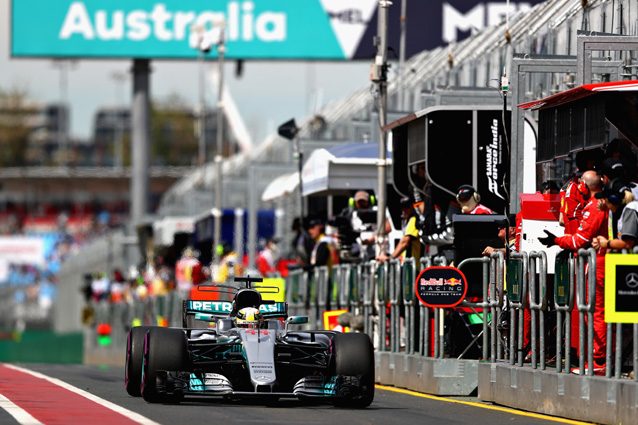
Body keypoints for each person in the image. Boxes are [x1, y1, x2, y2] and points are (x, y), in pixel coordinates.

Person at [538, 170, 608, 374]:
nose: (577, 188)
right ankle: (596, 360)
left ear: (585, 187)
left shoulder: (596, 206)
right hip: (594, 263)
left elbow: (579, 240)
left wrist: (555, 241)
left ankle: (599, 363)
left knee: (595, 313)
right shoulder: (595, 205)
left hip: (597, 265)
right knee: (591, 313)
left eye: (580, 184)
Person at [377, 195, 423, 268]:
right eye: (402, 207)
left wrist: (390, 258)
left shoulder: (414, 220)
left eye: (407, 207)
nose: (404, 210)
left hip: (413, 266)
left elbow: (405, 242)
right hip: (408, 265)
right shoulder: (407, 221)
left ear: (412, 207)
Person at [592, 180, 638, 252]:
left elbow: (627, 243)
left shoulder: (630, 209)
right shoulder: (624, 209)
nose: (604, 204)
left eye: (605, 200)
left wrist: (607, 243)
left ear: (613, 200)